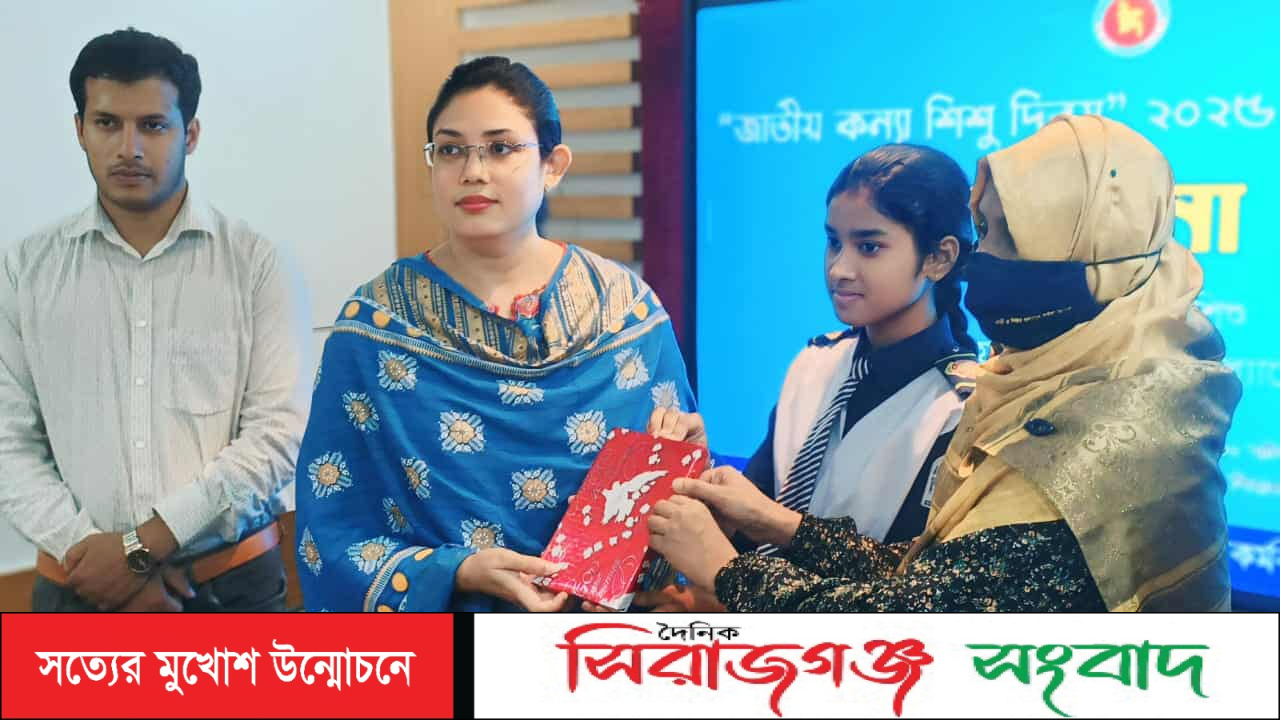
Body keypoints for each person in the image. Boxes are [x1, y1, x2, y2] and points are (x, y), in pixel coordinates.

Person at [648, 115, 1240, 611]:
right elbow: (930, 570)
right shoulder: (1018, 390)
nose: (840, 269)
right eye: (985, 229)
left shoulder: (1100, 432)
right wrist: (760, 518)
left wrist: (728, 575)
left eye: (1008, 236)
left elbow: (911, 624)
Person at [295, 56, 694, 612]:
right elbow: (331, 533)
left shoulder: (623, 311)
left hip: (598, 643)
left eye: (501, 148)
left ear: (553, 165)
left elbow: (679, 508)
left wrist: (683, 463)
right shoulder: (376, 327)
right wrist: (456, 571)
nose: (472, 171)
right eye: (450, 150)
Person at [0, 28, 310, 612]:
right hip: (75, 589)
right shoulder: (25, 270)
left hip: (231, 588)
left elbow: (278, 434)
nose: (129, 148)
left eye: (153, 125)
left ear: (189, 134)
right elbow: (8, 441)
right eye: (107, 123)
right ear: (80, 129)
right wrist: (96, 560)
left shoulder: (256, 262)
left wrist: (139, 550)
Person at [629, 144, 981, 612]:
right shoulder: (815, 362)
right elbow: (751, 519)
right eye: (834, 242)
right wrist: (696, 472)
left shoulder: (963, 408)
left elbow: (909, 587)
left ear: (939, 258)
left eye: (869, 247)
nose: (839, 269)